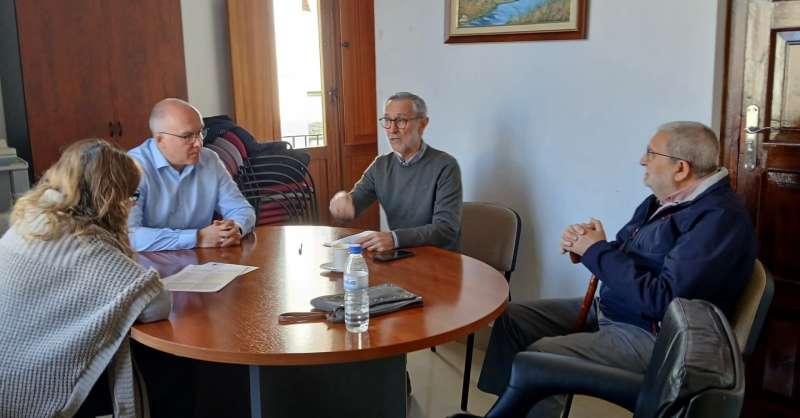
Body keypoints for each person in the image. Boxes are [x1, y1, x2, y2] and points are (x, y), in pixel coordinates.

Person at [477, 121, 757, 417]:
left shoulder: (718, 220)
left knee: (541, 356)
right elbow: (626, 251)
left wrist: (596, 251)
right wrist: (584, 246)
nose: (642, 160)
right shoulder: (663, 201)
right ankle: (508, 409)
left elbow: (665, 300)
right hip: (617, 309)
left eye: (651, 153)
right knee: (512, 319)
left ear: (681, 169)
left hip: (654, 335)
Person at [0, 139, 171, 418]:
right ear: (112, 198)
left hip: (10, 369)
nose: (132, 204)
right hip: (26, 387)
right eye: (132, 195)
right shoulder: (84, 244)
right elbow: (157, 304)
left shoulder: (34, 220)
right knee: (165, 368)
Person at [329, 92, 462, 251]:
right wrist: (342, 202)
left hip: (440, 259)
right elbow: (354, 202)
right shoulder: (380, 166)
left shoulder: (445, 166)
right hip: (400, 255)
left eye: (401, 121)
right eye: (387, 120)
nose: (392, 129)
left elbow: (446, 229)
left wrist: (395, 238)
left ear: (422, 124)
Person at [128, 98, 255, 252]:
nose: (199, 143)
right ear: (160, 139)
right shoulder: (131, 168)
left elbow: (242, 209)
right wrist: (197, 237)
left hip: (203, 258)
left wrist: (235, 228)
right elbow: (129, 235)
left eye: (200, 132)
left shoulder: (209, 160)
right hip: (150, 261)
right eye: (187, 136)